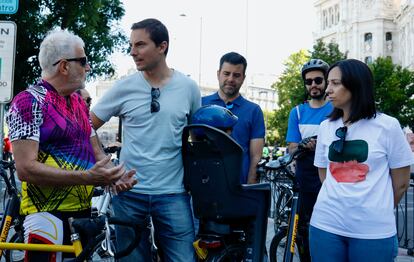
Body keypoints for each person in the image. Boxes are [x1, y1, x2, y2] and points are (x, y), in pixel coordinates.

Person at [5, 28, 136, 262]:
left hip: (83, 215)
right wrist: (87, 177)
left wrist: (114, 176)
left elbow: (97, 153)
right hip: (46, 216)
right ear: (64, 66)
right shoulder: (28, 101)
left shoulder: (78, 102)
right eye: (83, 61)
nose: (88, 68)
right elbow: (25, 169)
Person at [90, 18, 201, 261]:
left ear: (162, 46)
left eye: (140, 45)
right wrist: (106, 164)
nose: (132, 52)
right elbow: (86, 125)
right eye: (131, 45)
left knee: (184, 258)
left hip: (173, 194)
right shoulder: (124, 87)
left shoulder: (189, 88)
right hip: (129, 193)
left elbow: (196, 139)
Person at [310, 59, 414, 261]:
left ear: (356, 85)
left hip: (373, 232)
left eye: (335, 83)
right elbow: (324, 175)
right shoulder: (325, 127)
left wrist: (376, 208)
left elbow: (401, 183)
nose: (327, 89)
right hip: (325, 225)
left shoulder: (388, 126)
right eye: (328, 83)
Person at [285, 58, 333, 261]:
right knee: (304, 226)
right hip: (305, 174)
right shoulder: (296, 112)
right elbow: (292, 147)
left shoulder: (335, 109)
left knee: (329, 225)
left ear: (326, 81)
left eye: (318, 80)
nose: (313, 85)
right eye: (309, 81)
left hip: (331, 174)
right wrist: (303, 144)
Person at [202, 52, 265, 184]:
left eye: (236, 75)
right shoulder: (201, 104)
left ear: (243, 78)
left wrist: (250, 189)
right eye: (226, 73)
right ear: (218, 74)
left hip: (238, 186)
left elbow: (256, 156)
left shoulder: (254, 111)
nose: (231, 79)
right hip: (205, 184)